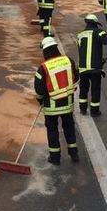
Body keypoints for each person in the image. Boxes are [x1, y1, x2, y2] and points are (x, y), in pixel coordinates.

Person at [34, 36, 79, 164]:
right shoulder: (68, 61)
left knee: (53, 132)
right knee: (69, 128)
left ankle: (55, 158)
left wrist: (40, 99)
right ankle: (74, 153)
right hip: (67, 104)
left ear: (45, 51)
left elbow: (39, 90)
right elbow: (76, 77)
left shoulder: (43, 68)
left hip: (51, 107)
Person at [76, 13, 107, 117]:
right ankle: (94, 111)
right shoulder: (99, 32)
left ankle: (83, 109)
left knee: (83, 89)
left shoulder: (80, 35)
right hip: (95, 68)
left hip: (83, 68)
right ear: (95, 23)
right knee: (95, 89)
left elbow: (83, 51)